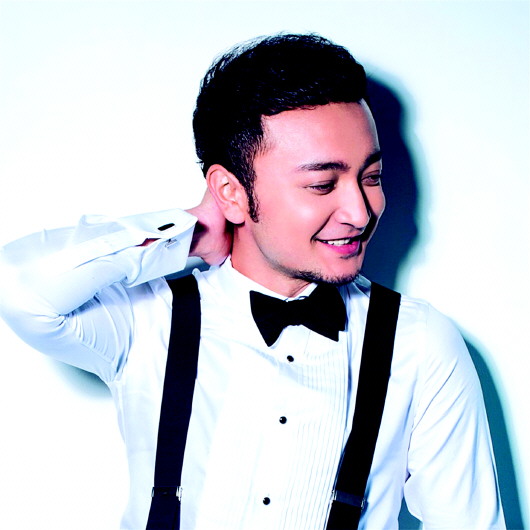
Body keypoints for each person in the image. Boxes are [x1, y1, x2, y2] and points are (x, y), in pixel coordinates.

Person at [0, 34, 504, 529]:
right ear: (232, 192)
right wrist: (190, 230)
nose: (359, 212)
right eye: (322, 185)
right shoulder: (150, 320)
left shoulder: (420, 344)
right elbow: (21, 286)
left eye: (370, 177)